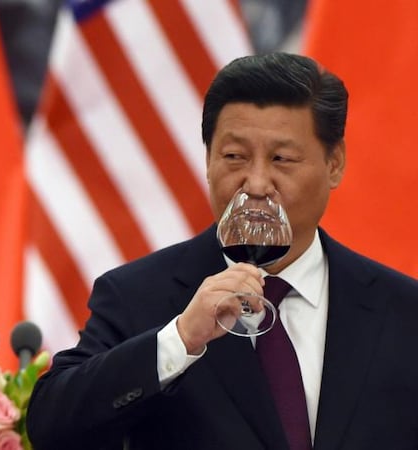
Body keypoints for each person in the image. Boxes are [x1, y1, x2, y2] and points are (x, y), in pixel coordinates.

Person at [26, 52, 418, 449]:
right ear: (209, 161)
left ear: (334, 164)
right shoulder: (137, 296)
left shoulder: (403, 310)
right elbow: (51, 425)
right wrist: (179, 340)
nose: (257, 183)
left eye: (281, 159)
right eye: (235, 157)